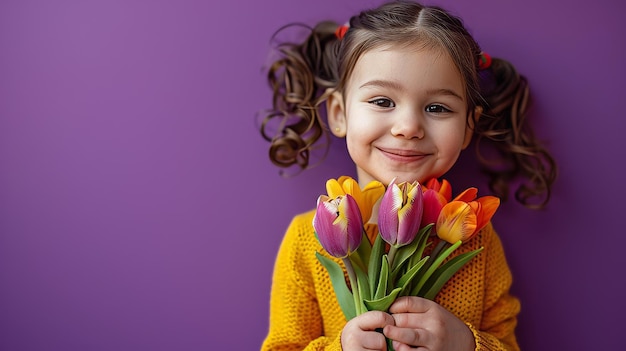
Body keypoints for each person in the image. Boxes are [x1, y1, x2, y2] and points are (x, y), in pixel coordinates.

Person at [258, 1, 557, 350]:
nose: (409, 127)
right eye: (382, 101)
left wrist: (464, 343)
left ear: (467, 128)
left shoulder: (475, 238)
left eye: (437, 108)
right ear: (339, 112)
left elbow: (505, 342)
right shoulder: (305, 241)